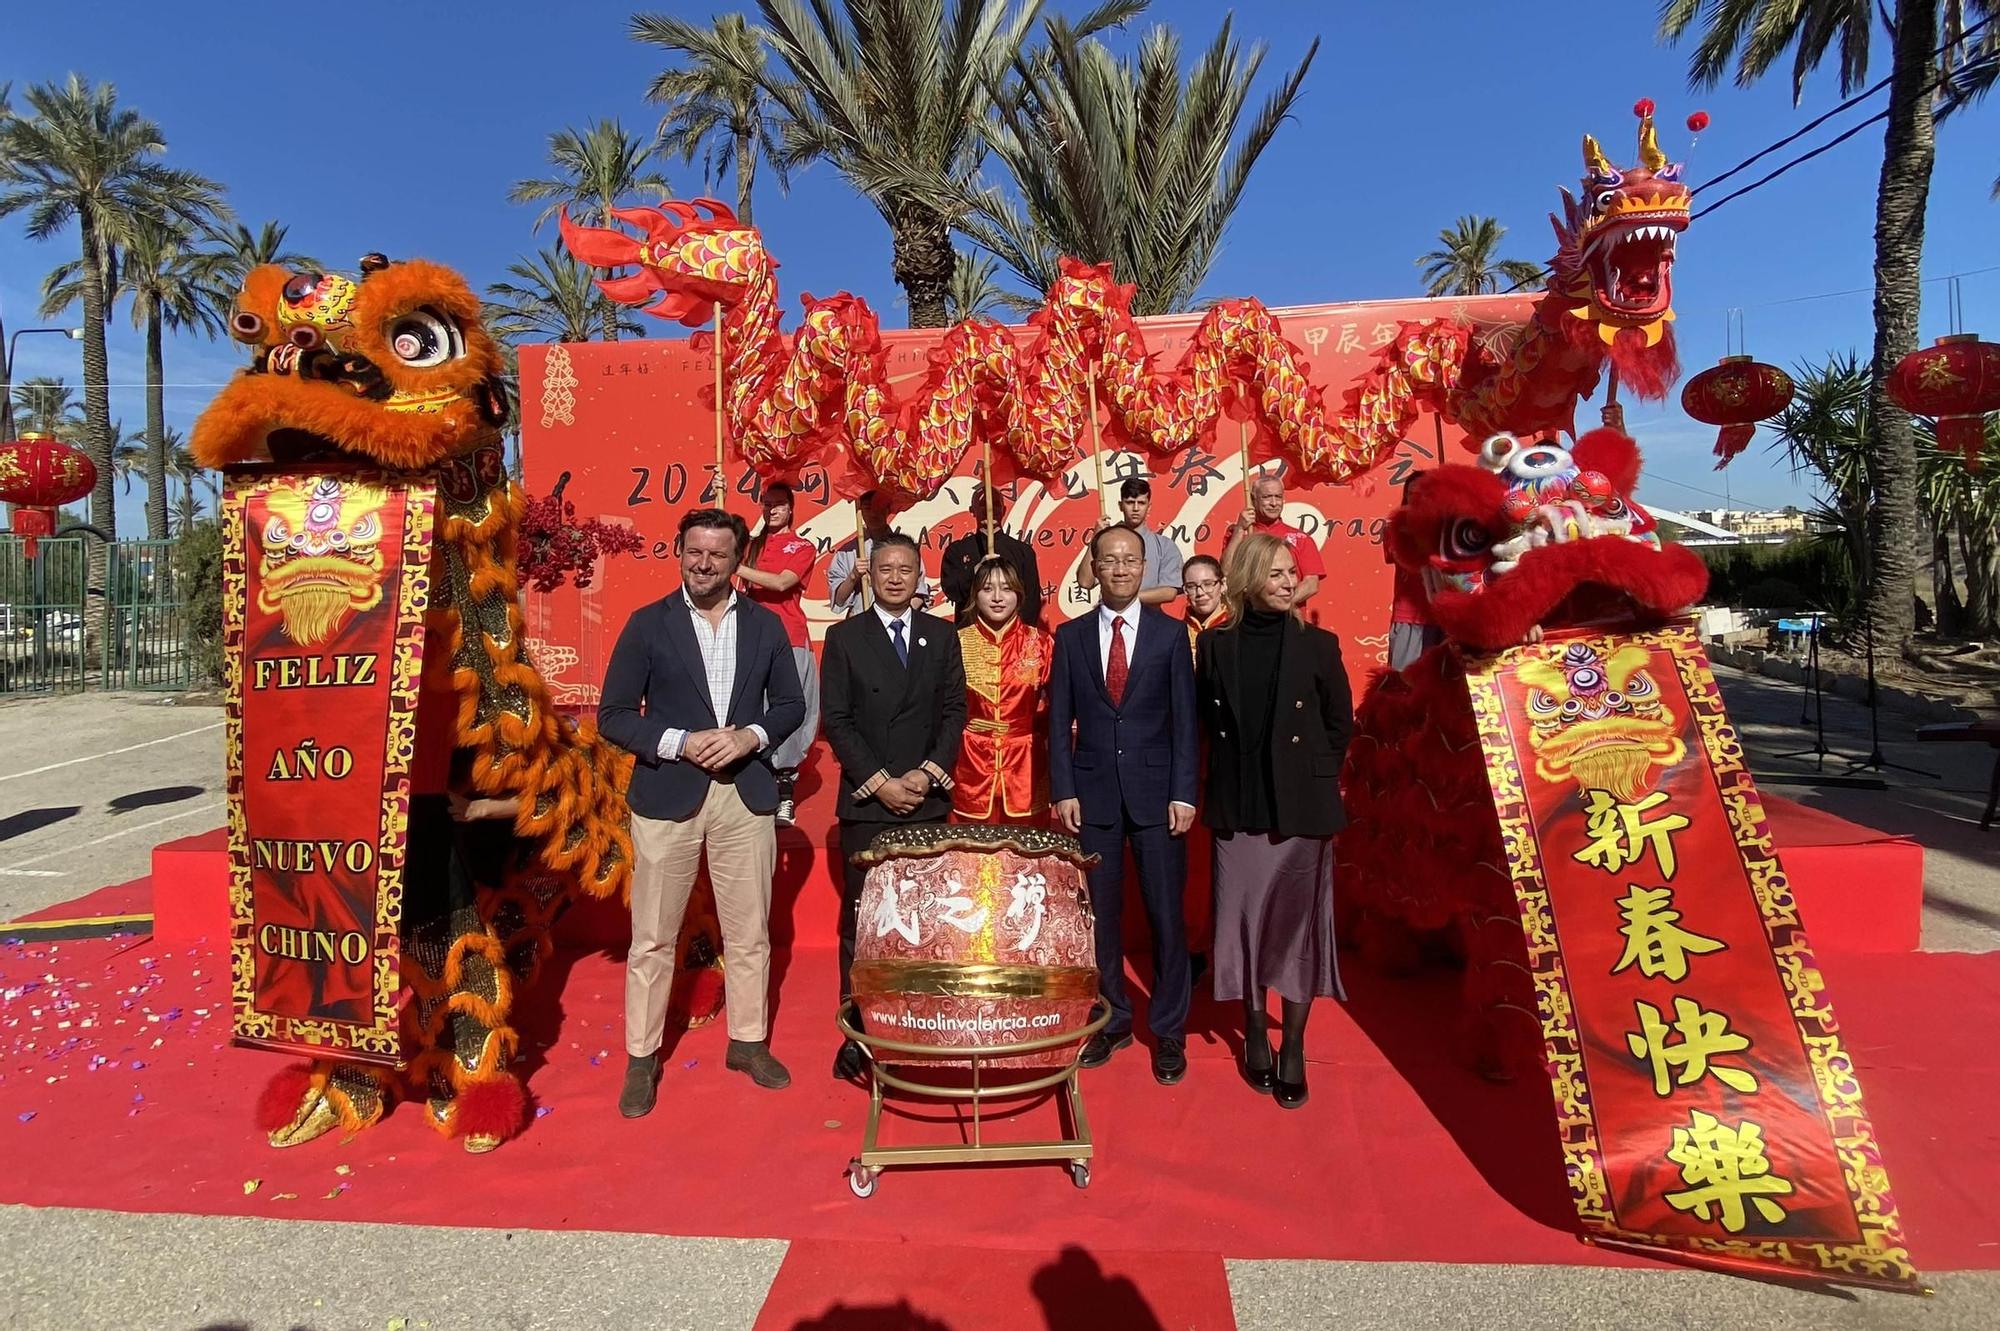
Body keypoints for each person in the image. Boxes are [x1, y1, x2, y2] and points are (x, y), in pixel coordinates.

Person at [599, 508, 806, 1117]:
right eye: (695, 552)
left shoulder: (766, 627)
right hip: (669, 795)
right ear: (679, 552)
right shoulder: (647, 625)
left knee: (749, 933)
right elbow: (614, 715)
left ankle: (747, 1042)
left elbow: (790, 705)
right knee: (653, 937)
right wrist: (678, 742)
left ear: (738, 559)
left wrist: (750, 737)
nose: (704, 564)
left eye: (718, 554)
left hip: (744, 793)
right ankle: (642, 1058)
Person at [1195, 531, 1352, 1110]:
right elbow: (1204, 727)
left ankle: (1294, 1046)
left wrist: (1306, 776)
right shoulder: (1215, 647)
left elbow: (1340, 725)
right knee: (1243, 924)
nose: (1291, 582)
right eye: (1278, 573)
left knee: (1295, 931)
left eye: (1292, 573)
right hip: (1238, 809)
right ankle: (1255, 1028)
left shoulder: (1320, 645)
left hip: (1300, 814)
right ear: (1247, 579)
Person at [1048, 525, 1199, 1084]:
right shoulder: (1071, 637)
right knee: (1101, 921)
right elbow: (1059, 721)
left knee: (1166, 918)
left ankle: (1169, 1030)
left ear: (1144, 567)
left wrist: (1185, 791)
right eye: (1108, 560)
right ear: (1093, 567)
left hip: (1159, 798)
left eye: (1129, 560)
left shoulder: (1168, 636)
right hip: (1093, 799)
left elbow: (1186, 720)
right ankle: (1112, 1021)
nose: (1119, 569)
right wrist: (1063, 787)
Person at [821, 531, 968, 1078]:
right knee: (864, 920)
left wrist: (926, 775)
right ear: (871, 575)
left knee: (925, 918)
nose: (896, 577)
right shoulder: (845, 638)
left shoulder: (940, 634)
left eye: (907, 568)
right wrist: (882, 782)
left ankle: (921, 1024)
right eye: (886, 569)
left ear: (919, 576)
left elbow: (955, 709)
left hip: (926, 800)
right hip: (868, 802)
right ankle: (857, 1031)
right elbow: (836, 720)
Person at [735, 481, 819, 824]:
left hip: (791, 637)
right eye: (767, 503)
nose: (772, 509)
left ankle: (786, 792)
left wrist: (735, 568)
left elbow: (783, 583)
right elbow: (722, 535)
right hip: (752, 640)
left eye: (779, 504)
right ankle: (759, 789)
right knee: (756, 710)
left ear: (790, 508)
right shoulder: (750, 546)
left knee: (792, 710)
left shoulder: (801, 545)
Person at [953, 556, 1052, 823]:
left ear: (1019, 595)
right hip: (971, 763)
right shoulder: (957, 642)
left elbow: (1057, 708)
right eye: (987, 589)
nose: (997, 597)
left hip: (1026, 766)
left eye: (1006, 589)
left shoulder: (1041, 643)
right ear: (975, 595)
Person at [939, 481, 1044, 626]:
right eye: (983, 505)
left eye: (995, 504)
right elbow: (952, 592)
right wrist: (975, 573)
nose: (990, 509)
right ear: (972, 510)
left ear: (1004, 509)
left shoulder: (1023, 552)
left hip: (1013, 639)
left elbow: (1031, 602)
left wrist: (1020, 635)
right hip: (970, 636)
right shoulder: (957, 550)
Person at [1077, 477, 1183, 607]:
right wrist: (1096, 537)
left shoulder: (1165, 546)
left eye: (1141, 503)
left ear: (1149, 507)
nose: (1136, 508)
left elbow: (1169, 592)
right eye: (1130, 502)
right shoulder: (1107, 542)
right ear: (1121, 506)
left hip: (1149, 621)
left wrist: (1124, 597)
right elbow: (1084, 582)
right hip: (1110, 619)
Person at [826, 489, 933, 618]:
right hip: (860, 624)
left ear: (888, 509)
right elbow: (838, 601)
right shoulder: (847, 552)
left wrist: (897, 618)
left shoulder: (905, 549)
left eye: (878, 507)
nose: (873, 513)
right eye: (867, 508)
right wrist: (853, 576)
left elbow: (919, 593)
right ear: (860, 512)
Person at [1225, 472, 1324, 608]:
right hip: (1250, 620)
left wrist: (1277, 604)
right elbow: (1226, 572)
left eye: (1278, 497)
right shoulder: (1238, 533)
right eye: (1267, 497)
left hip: (1289, 620)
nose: (1273, 503)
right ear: (1253, 499)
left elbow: (1311, 584)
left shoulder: (1301, 538)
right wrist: (1239, 530)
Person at [1180, 554, 1229, 653]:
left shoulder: (1236, 627)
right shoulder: (1177, 632)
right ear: (1185, 590)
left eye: (1207, 584)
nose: (1200, 593)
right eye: (1191, 586)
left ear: (1223, 585)